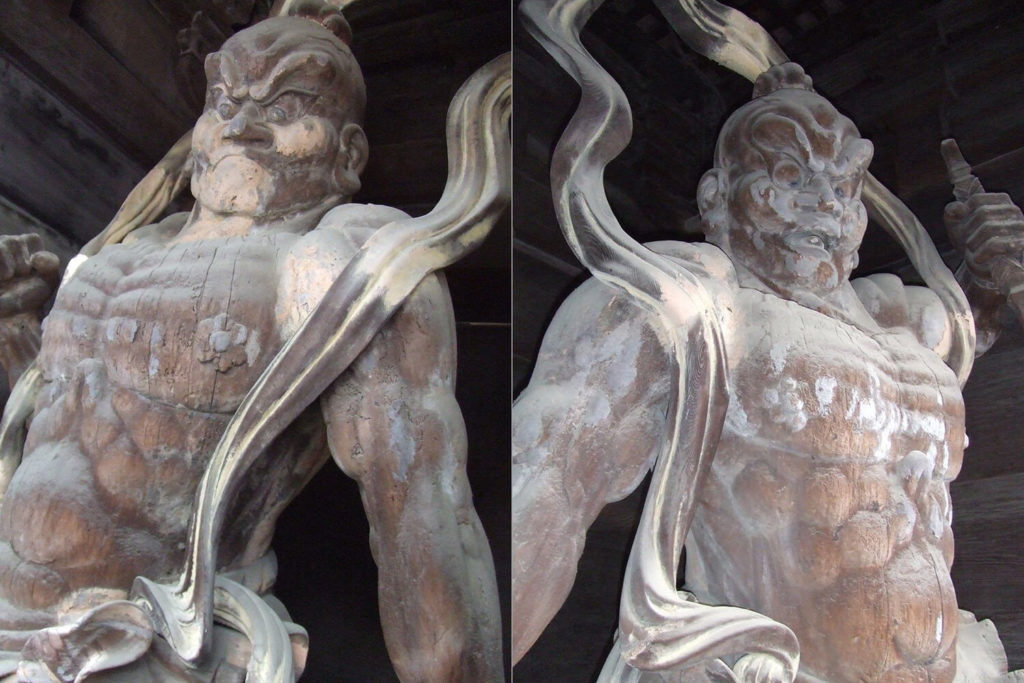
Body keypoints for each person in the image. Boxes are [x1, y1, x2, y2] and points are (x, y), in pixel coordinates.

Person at [0, 9, 503, 681]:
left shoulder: (333, 259)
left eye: (286, 106)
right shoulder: (117, 252)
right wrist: (14, 326)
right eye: (224, 100)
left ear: (348, 156)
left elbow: (420, 509)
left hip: (152, 640)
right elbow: (56, 426)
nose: (241, 125)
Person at [512, 63, 1023, 681]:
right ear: (716, 197)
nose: (825, 202)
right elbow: (549, 490)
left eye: (844, 183)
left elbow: (971, 331)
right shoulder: (685, 300)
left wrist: (987, 274)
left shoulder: (905, 319)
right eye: (788, 175)